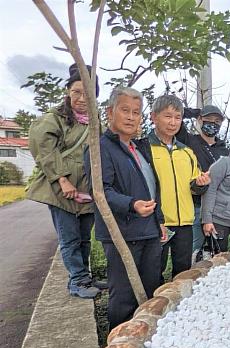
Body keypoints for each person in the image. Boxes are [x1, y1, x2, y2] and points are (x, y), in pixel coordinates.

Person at [87, 86, 167, 330]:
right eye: (125, 110)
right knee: (123, 295)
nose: (131, 117)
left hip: (149, 230)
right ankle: (118, 347)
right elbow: (101, 191)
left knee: (151, 288)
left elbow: (152, 186)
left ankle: (145, 340)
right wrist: (131, 205)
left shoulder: (139, 148)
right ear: (109, 112)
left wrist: (159, 220)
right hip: (123, 232)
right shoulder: (100, 148)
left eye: (136, 112)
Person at [27, 63, 103, 299]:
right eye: (76, 92)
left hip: (87, 190)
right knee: (69, 238)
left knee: (84, 237)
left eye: (87, 93)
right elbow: (44, 149)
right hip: (63, 190)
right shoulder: (54, 119)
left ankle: (85, 275)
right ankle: (76, 281)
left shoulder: (94, 120)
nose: (81, 98)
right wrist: (62, 180)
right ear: (68, 92)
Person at [148, 95, 209, 280]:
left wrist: (201, 184)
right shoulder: (144, 149)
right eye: (167, 116)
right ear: (154, 117)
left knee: (182, 272)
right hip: (158, 222)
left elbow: (193, 186)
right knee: (153, 271)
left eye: (177, 117)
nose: (173, 122)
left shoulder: (187, 152)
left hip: (184, 222)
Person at [176, 104, 230, 259]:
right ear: (200, 120)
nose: (212, 124)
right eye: (208, 120)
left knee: (216, 248)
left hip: (216, 206)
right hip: (194, 203)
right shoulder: (188, 140)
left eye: (217, 121)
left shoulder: (224, 150)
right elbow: (178, 113)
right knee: (194, 246)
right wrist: (196, 112)